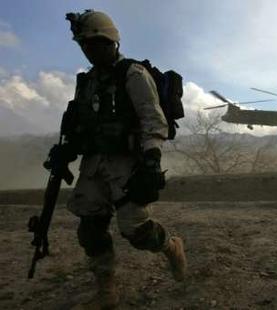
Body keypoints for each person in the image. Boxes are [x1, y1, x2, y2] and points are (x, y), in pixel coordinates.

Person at [55, 10, 187, 309]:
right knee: (90, 230)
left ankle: (171, 247)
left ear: (110, 41)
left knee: (137, 232)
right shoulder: (86, 82)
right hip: (93, 164)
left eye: (94, 44)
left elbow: (153, 120)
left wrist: (152, 159)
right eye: (84, 46)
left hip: (127, 163)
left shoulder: (133, 74)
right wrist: (65, 150)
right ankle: (106, 287)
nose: (89, 51)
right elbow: (80, 125)